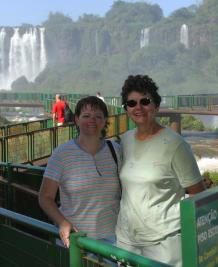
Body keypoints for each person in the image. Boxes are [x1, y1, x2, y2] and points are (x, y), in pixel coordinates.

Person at [115, 74, 206, 267]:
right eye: (131, 103)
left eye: (145, 101)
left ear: (156, 105)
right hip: (127, 240)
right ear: (126, 109)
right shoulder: (125, 140)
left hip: (164, 243)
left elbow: (197, 193)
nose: (138, 107)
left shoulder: (175, 144)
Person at [39, 96, 121, 248]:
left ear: (104, 121)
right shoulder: (61, 154)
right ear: (76, 119)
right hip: (76, 239)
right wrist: (63, 223)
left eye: (98, 116)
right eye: (86, 116)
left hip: (113, 240)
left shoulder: (115, 151)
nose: (92, 120)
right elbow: (45, 197)